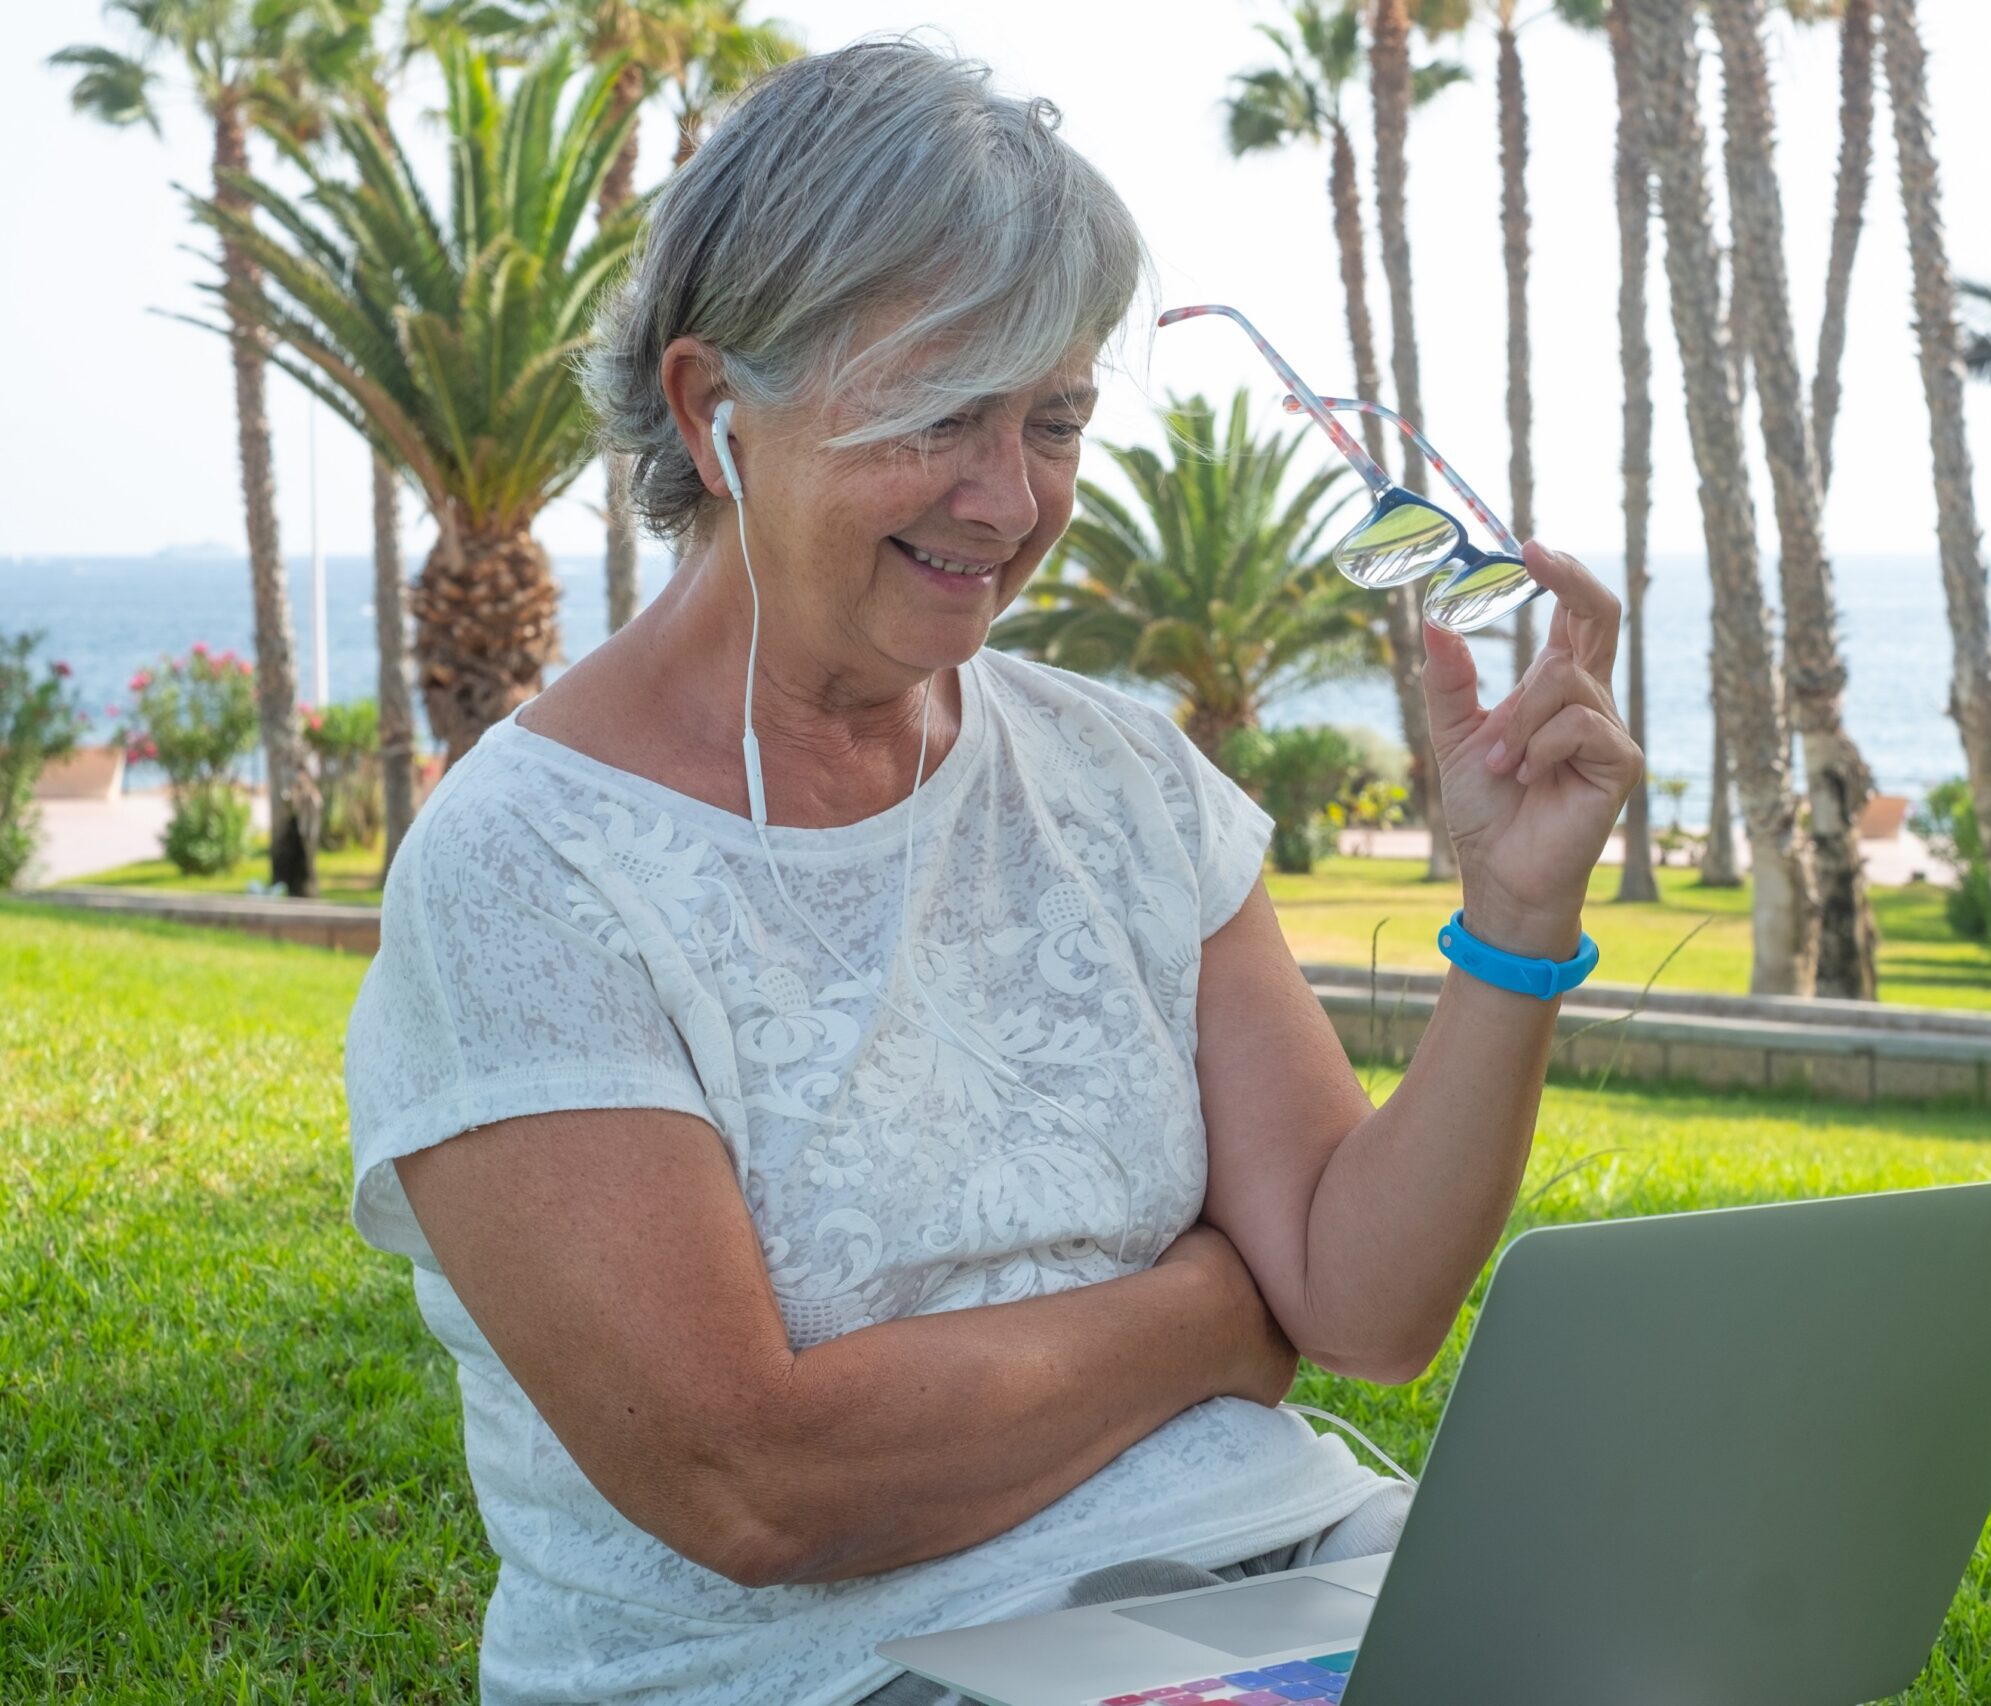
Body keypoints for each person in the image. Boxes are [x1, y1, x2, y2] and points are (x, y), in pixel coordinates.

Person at [341, 36, 1640, 1706]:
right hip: (827, 1666)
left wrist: (1515, 917)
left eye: (1054, 419)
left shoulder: (1118, 776)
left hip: (1278, 1576)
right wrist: (1205, 1316)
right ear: (711, 408)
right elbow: (758, 1481)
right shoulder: (526, 865)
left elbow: (1363, 1304)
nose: (1008, 497)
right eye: (942, 411)